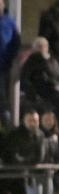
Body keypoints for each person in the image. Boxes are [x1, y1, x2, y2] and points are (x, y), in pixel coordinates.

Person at [0, 109, 43, 194]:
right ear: (24, 120)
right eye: (31, 120)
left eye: (35, 120)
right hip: (5, 175)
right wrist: (24, 161)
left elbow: (38, 158)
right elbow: (11, 155)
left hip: (20, 175)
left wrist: (23, 161)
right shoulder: (14, 134)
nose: (33, 123)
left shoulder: (39, 135)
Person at [0, 0, 21, 129]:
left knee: (2, 97)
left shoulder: (9, 22)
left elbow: (16, 43)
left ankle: (7, 128)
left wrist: (9, 59)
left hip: (3, 66)